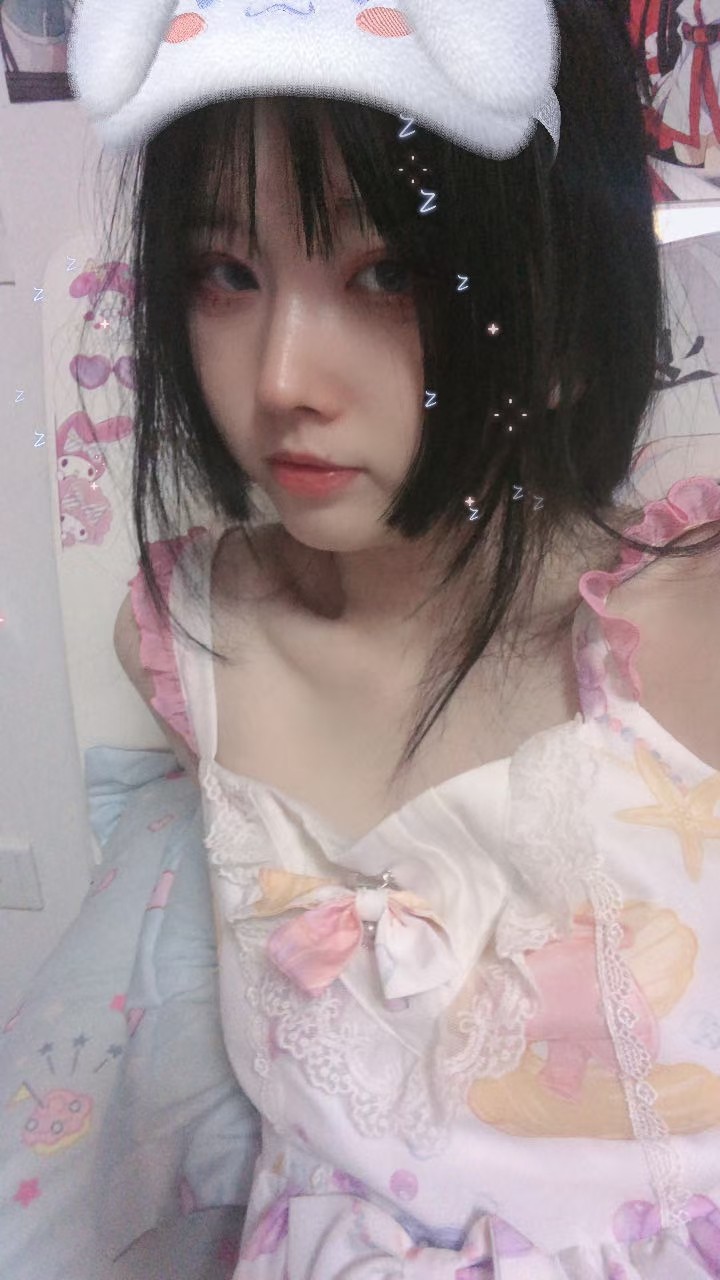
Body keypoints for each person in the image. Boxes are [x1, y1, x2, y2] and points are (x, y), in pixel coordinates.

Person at [69, 0, 720, 1273]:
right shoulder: (187, 642)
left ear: (561, 279)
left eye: (388, 274)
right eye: (226, 274)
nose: (280, 380)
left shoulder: (688, 635)